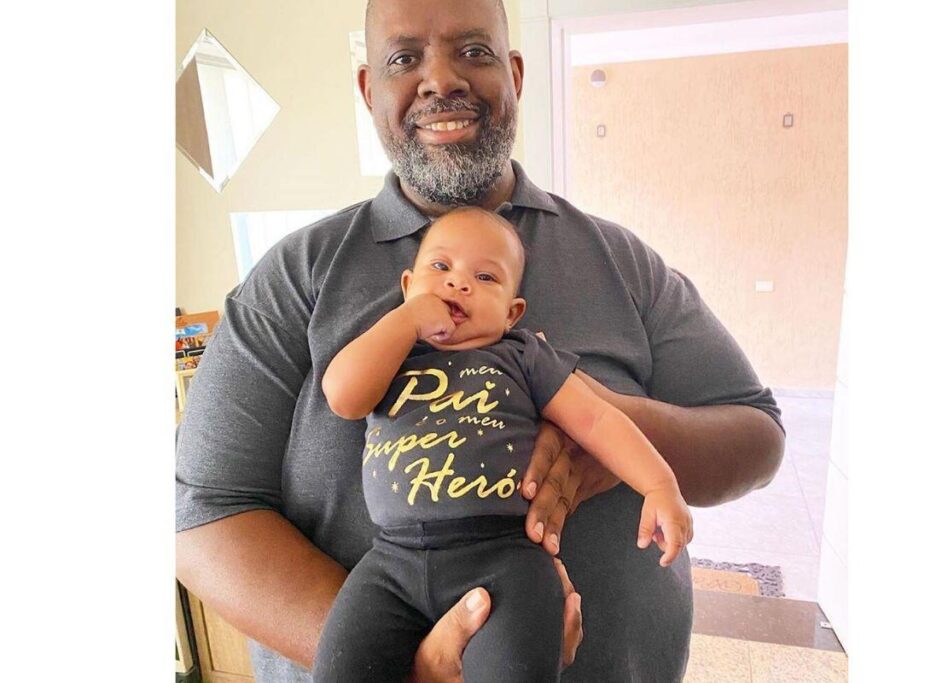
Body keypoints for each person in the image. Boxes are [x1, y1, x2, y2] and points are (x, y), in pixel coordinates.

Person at [175, 0, 786, 681]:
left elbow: (757, 435)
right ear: (369, 89)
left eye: (474, 51)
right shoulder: (294, 277)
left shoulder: (621, 261)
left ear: (515, 75)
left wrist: (605, 430)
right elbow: (200, 514)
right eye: (404, 58)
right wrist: (402, 664)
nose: (441, 80)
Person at [313, 207, 692, 682]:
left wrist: (658, 484)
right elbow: (343, 397)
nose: (458, 283)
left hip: (504, 560)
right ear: (408, 286)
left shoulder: (523, 355)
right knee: (339, 671)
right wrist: (405, 322)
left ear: (512, 312)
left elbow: (595, 419)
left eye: (485, 277)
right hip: (391, 565)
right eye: (440, 266)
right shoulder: (390, 355)